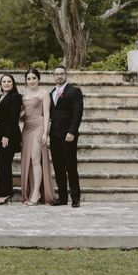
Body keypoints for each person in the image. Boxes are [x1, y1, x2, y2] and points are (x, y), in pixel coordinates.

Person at [49, 65, 84, 207]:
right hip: (54, 135)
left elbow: (77, 113)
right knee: (58, 167)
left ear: (66, 75)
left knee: (70, 166)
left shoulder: (74, 91)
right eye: (56, 74)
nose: (59, 76)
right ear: (53, 76)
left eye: (62, 74)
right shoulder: (52, 92)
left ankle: (75, 198)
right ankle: (62, 197)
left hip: (68, 135)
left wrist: (72, 132)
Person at [20, 68, 56, 205]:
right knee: (28, 160)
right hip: (27, 128)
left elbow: (47, 113)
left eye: (34, 78)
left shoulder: (44, 93)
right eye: (29, 79)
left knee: (36, 159)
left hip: (39, 126)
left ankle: (37, 192)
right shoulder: (24, 94)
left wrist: (45, 132)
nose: (31, 81)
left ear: (38, 79)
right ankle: (32, 190)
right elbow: (23, 112)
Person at [0, 74, 22, 205]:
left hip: (8, 135)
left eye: (9, 81)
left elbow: (13, 117)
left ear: (13, 83)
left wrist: (6, 136)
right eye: (4, 81)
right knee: (1, 164)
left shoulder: (15, 97)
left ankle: (5, 193)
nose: (6, 83)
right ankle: (3, 192)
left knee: (4, 164)